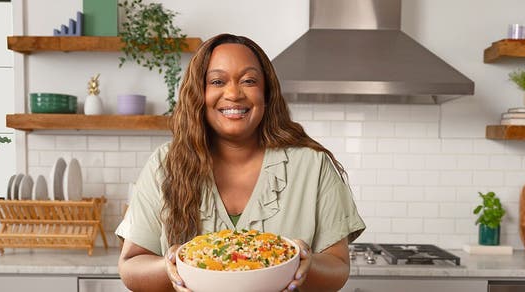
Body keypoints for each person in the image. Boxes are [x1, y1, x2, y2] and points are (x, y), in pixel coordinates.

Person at [115, 33, 366, 292]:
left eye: (249, 80)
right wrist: (173, 266)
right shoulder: (164, 165)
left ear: (266, 94)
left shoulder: (313, 166)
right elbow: (131, 265)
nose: (234, 93)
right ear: (199, 93)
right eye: (217, 81)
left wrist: (303, 263)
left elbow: (338, 266)